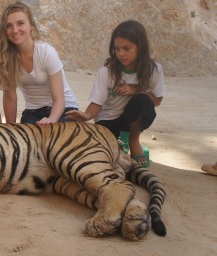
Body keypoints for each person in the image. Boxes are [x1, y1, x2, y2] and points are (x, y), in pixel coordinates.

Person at [66, 20, 165, 167]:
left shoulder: (154, 69)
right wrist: (86, 115)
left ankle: (133, 140)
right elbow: (97, 102)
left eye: (127, 48)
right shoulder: (107, 71)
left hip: (131, 117)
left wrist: (134, 90)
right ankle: (117, 143)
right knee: (105, 154)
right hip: (108, 119)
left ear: (140, 47)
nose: (121, 54)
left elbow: (156, 100)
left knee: (143, 100)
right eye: (117, 49)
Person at [0, 1, 78, 125]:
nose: (15, 30)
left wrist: (51, 120)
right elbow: (10, 97)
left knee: (53, 138)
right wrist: (10, 127)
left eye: (20, 23)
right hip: (33, 112)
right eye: (9, 26)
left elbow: (59, 99)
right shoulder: (6, 57)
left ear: (31, 26)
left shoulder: (46, 53)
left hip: (63, 109)